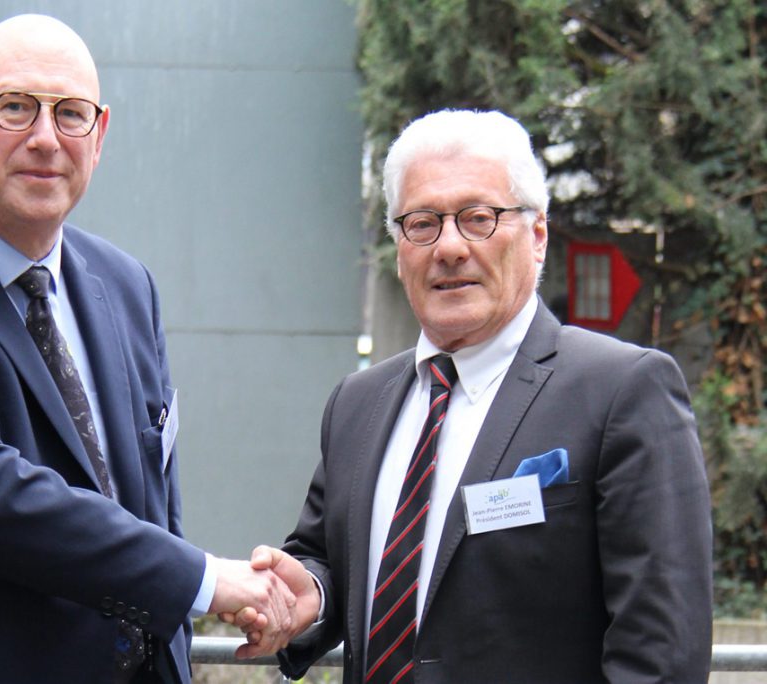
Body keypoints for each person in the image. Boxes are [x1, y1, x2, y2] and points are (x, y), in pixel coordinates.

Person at [0, 14, 295, 683]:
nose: (45, 138)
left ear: (100, 136)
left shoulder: (126, 286)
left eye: (70, 113)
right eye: (15, 107)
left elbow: (151, 506)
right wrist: (204, 580)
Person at [241, 109, 714, 682]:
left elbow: (662, 656)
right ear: (399, 248)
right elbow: (330, 558)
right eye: (422, 223)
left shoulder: (622, 390)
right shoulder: (357, 403)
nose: (449, 247)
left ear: (537, 236)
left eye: (478, 219)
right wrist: (310, 595)